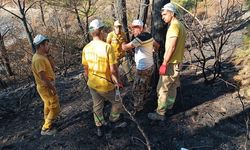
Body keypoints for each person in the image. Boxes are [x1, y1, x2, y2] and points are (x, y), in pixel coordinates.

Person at [82, 19, 124, 137]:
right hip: (105, 84)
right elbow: (113, 70)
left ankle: (99, 126)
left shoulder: (86, 48)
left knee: (97, 105)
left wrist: (90, 80)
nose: (105, 32)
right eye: (103, 30)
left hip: (92, 83)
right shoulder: (107, 47)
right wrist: (118, 82)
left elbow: (86, 69)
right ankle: (113, 120)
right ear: (100, 31)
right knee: (117, 102)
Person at [148, 3, 186, 121]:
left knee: (162, 88)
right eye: (162, 15)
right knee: (172, 87)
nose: (163, 17)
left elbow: (172, 47)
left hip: (170, 63)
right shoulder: (181, 25)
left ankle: (160, 113)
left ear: (172, 13)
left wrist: (164, 63)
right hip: (178, 63)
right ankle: (169, 107)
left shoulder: (174, 26)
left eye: (165, 14)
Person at [122, 20, 160, 114]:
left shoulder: (141, 38)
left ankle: (138, 108)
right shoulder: (148, 35)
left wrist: (122, 44)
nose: (133, 30)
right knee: (145, 85)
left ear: (141, 28)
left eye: (135, 28)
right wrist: (153, 50)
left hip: (143, 69)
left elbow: (126, 47)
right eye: (132, 28)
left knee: (136, 89)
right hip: (150, 66)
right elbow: (157, 45)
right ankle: (145, 102)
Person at [31, 34, 60, 135]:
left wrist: (49, 55)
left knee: (48, 105)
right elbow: (43, 77)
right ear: (40, 46)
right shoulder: (38, 59)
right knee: (55, 108)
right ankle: (46, 128)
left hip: (45, 87)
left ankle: (48, 122)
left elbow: (53, 67)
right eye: (46, 44)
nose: (48, 46)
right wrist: (52, 88)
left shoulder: (42, 56)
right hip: (46, 87)